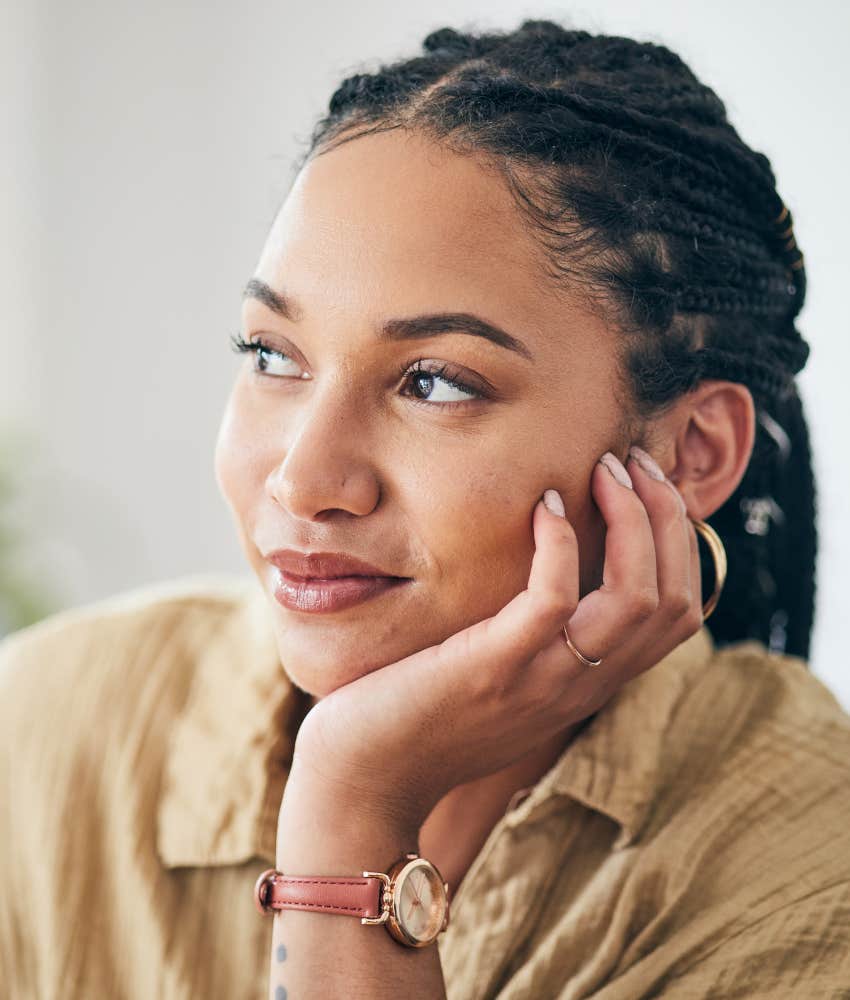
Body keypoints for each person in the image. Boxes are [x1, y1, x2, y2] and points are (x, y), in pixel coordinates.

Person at [2, 16, 849, 1000]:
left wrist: (352, 807)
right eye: (273, 354)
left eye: (436, 381)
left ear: (689, 453)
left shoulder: (807, 861)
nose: (304, 479)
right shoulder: (45, 726)